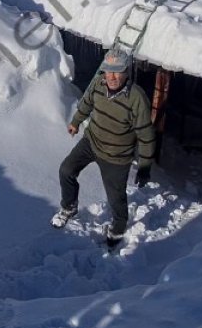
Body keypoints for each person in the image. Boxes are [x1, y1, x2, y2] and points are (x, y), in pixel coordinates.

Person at [51, 48, 156, 246]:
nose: (112, 77)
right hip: (91, 141)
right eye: (109, 71)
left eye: (117, 71)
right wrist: (75, 121)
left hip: (117, 156)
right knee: (66, 170)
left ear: (126, 71)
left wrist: (145, 166)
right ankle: (69, 207)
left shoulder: (136, 98)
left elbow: (146, 135)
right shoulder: (99, 84)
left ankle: (117, 230)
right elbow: (87, 103)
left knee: (116, 198)